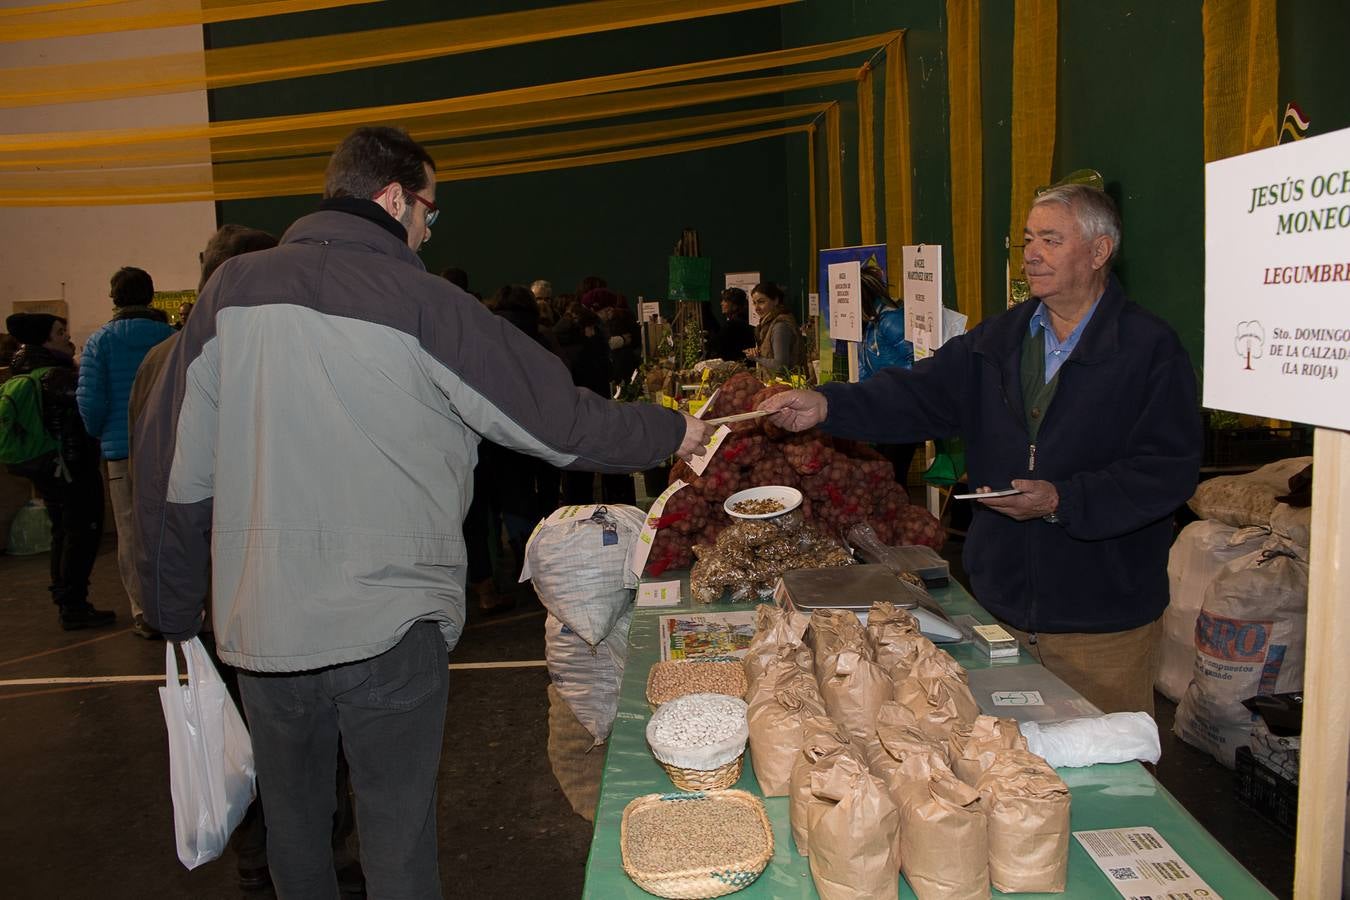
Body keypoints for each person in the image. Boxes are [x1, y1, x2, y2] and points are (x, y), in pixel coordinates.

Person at [132, 126, 712, 898]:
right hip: (389, 625)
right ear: (395, 197)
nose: (428, 232)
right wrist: (674, 428)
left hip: (260, 627)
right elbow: (558, 424)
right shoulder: (425, 302)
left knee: (295, 833)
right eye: (430, 213)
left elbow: (173, 472)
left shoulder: (228, 296)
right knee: (396, 838)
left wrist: (175, 612)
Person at [760, 184, 1201, 717]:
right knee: (1000, 767)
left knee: (1108, 773)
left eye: (1051, 240)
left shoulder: (1149, 350)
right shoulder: (999, 341)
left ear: (1099, 251)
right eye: (1029, 239)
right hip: (1000, 610)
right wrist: (827, 406)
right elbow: (917, 392)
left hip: (1101, 624)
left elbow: (1168, 471)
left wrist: (1063, 499)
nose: (1032, 253)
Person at [77, 266, 175, 638]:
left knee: (131, 532)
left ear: (114, 297)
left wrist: (103, 436)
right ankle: (179, 602)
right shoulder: (169, 335)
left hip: (121, 452)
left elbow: (91, 402)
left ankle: (144, 611)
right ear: (151, 295)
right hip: (169, 446)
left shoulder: (101, 341)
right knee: (175, 526)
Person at [4, 314, 116, 630]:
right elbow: (92, 407)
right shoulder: (57, 377)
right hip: (71, 467)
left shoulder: (24, 372)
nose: (67, 337)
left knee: (63, 532)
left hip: (48, 467)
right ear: (44, 340)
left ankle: (66, 598)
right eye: (59, 332)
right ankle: (74, 603)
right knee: (81, 533)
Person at [858, 265, 918, 481]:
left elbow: (917, 362)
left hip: (903, 408)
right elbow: (866, 366)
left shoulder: (891, 320)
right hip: (886, 406)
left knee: (893, 475)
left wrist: (893, 392)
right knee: (885, 474)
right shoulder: (872, 323)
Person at [746, 281, 804, 374]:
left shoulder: (780, 326)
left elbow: (780, 366)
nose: (756, 308)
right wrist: (757, 352)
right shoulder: (767, 324)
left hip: (786, 386)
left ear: (775, 300)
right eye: (754, 303)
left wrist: (756, 358)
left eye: (761, 302)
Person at [709, 287, 755, 361]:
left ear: (735, 305)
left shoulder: (733, 326)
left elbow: (718, 348)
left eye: (725, 301)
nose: (721, 304)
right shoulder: (745, 322)